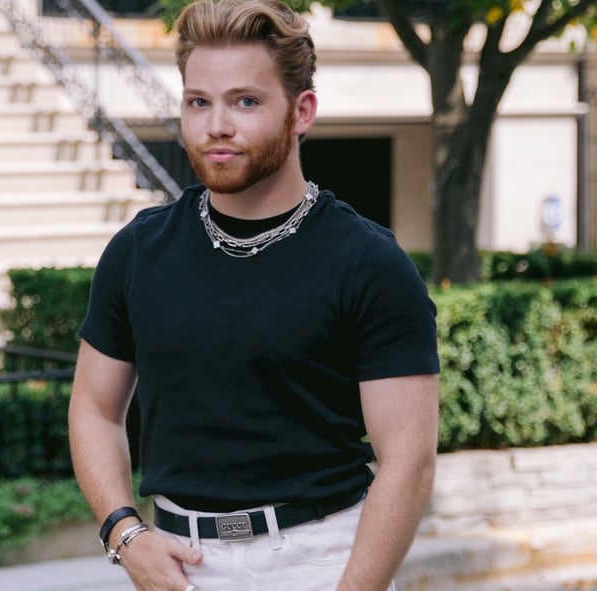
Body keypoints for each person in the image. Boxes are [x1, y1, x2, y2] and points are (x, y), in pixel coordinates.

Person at [68, 0, 440, 589]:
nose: (217, 124)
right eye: (199, 101)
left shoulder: (369, 262)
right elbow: (93, 409)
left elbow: (409, 462)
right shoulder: (138, 251)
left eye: (246, 101)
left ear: (302, 111)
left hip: (322, 560)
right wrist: (125, 535)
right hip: (179, 563)